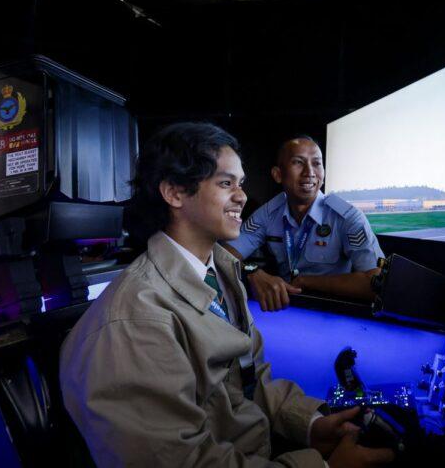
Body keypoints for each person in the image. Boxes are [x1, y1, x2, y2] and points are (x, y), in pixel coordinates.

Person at [59, 123, 393, 468]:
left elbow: (246, 379)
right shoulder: (136, 322)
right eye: (225, 183)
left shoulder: (221, 273)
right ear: (174, 193)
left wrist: (310, 425)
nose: (242, 196)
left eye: (241, 183)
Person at [225, 136, 384, 311]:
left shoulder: (347, 217)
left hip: (333, 311)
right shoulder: (268, 214)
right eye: (298, 162)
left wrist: (307, 282)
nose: (310, 172)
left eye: (316, 163)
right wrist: (251, 271)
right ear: (278, 174)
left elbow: (377, 284)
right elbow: (223, 254)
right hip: (287, 308)